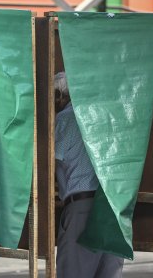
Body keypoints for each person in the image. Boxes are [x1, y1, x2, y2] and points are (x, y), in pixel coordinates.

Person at [54, 72, 124, 278]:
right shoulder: (104, 114)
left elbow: (53, 159)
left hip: (81, 207)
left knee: (74, 272)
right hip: (112, 206)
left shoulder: (65, 118)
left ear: (61, 95)